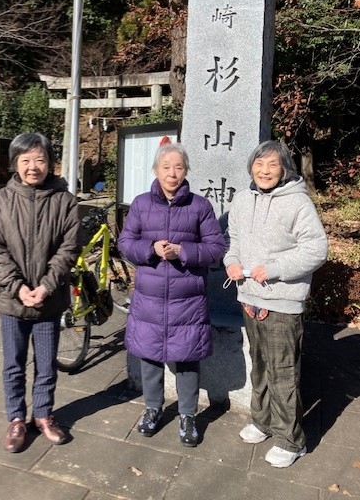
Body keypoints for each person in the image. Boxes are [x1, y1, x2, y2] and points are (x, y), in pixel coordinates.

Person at [224, 140, 328, 468]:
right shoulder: (242, 199)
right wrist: (231, 261)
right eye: (259, 164)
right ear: (251, 167)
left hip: (283, 301)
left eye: (272, 165)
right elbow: (233, 241)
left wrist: (275, 269)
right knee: (259, 366)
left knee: (283, 372)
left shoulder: (298, 202)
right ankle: (262, 421)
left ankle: (290, 440)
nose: (265, 171)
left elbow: (316, 250)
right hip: (249, 297)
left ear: (284, 169)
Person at [118, 141, 226, 447]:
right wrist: (150, 249)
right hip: (149, 298)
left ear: (186, 170)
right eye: (166, 167)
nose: (172, 173)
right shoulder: (141, 204)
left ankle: (188, 415)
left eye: (178, 167)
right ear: (156, 170)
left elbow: (216, 248)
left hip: (187, 300)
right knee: (149, 355)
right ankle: (152, 408)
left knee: (188, 358)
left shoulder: (199, 206)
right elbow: (125, 243)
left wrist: (182, 251)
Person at [0, 132, 82, 453]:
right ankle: (16, 419)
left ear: (50, 163)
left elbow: (69, 248)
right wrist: (18, 287)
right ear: (16, 164)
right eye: (25, 160)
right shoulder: (0, 200)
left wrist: (46, 286)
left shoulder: (65, 201)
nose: (33, 167)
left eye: (40, 159)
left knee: (47, 364)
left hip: (48, 300)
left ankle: (43, 414)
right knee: (13, 364)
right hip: (11, 300)